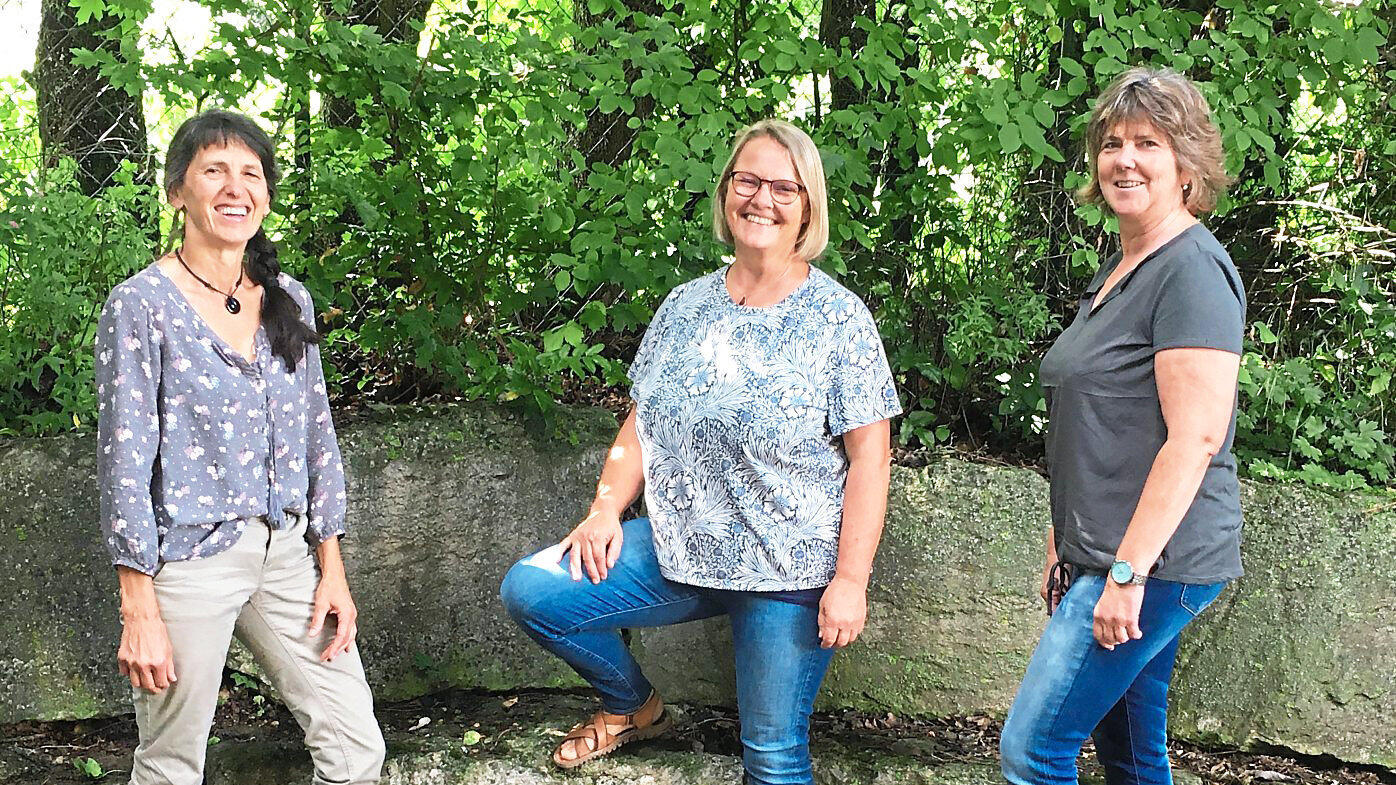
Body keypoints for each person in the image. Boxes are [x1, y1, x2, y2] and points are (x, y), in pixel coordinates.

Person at [500, 119, 902, 784]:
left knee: (772, 757)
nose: (762, 199)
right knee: (533, 592)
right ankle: (634, 705)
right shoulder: (685, 306)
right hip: (680, 548)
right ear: (725, 192)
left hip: (788, 572)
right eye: (748, 181)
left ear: (808, 207)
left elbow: (871, 459)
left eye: (784, 188)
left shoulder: (840, 319)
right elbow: (643, 421)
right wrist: (605, 509)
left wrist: (851, 580)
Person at [96, 109, 385, 785]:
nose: (235, 188)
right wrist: (139, 607)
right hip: (187, 562)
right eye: (214, 171)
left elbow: (317, 436)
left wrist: (332, 568)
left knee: (356, 751)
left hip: (285, 556)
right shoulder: (140, 306)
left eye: (251, 174)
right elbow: (123, 464)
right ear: (177, 191)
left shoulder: (289, 298)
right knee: (170, 767)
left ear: (267, 196)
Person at [998, 67, 1244, 784]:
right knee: (1132, 755)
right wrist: (1064, 546)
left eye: (1148, 143)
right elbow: (1099, 423)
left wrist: (1127, 574)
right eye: (1112, 144)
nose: (1125, 160)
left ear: (1187, 165)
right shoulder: (1123, 266)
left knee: (1033, 751)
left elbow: (1195, 438)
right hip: (1107, 555)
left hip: (1153, 564)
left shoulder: (1192, 271)